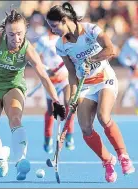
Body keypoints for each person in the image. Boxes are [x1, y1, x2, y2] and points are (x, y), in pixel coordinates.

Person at [0, 9, 66, 181]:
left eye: (19, 34)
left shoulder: (28, 50)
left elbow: (44, 76)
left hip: (14, 86)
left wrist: (56, 100)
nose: (16, 39)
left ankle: (20, 162)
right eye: (11, 34)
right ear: (5, 32)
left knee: (15, 119)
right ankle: (1, 156)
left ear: (25, 31)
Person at [46, 2, 135, 183]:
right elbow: (71, 72)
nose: (52, 30)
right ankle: (108, 161)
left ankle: (123, 156)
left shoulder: (90, 30)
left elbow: (111, 50)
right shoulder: (61, 45)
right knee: (86, 128)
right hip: (85, 85)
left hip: (104, 79)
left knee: (103, 116)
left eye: (54, 26)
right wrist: (72, 95)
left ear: (64, 21)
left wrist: (91, 59)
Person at [35, 25, 75, 153]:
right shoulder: (43, 40)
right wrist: (46, 69)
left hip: (64, 78)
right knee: (51, 110)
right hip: (50, 81)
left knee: (70, 104)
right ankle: (48, 139)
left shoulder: (65, 39)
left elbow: (72, 56)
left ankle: (68, 136)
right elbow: (35, 59)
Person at [118, 21, 138, 115]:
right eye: (135, 30)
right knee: (130, 96)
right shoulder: (130, 42)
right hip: (134, 72)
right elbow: (122, 57)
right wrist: (131, 66)